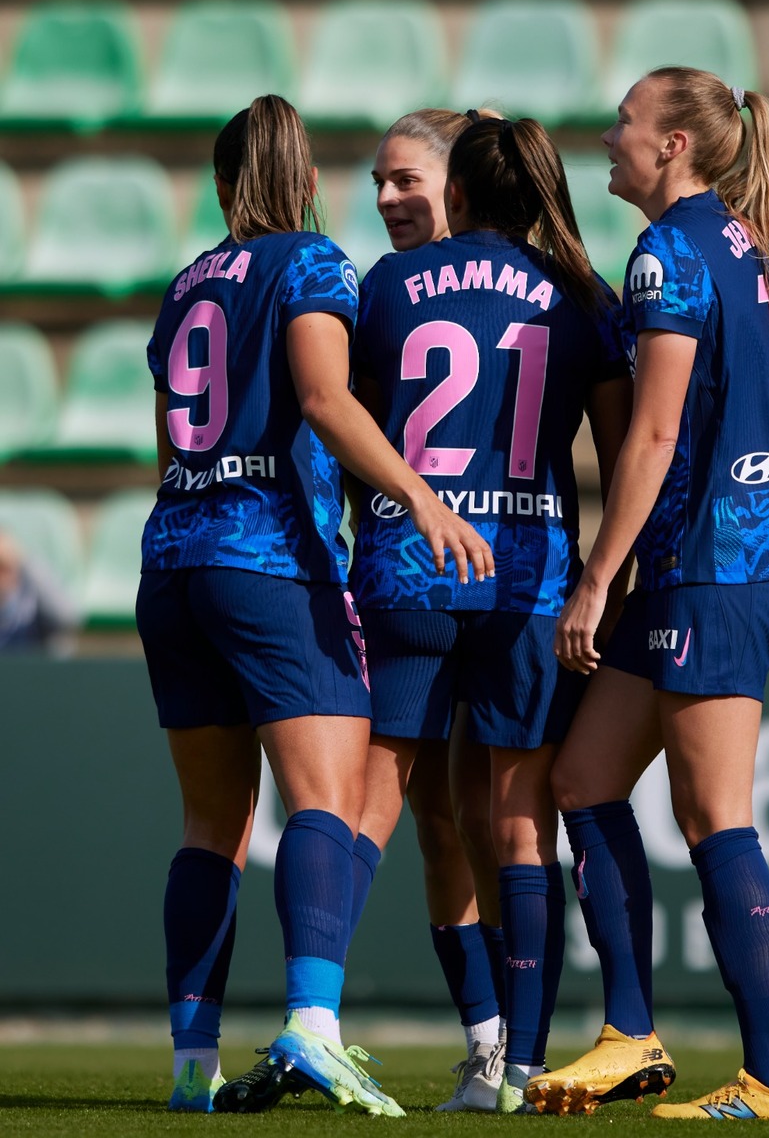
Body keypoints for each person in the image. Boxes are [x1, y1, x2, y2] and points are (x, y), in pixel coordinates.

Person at [135, 94, 492, 1116]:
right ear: (303, 182)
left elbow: (169, 448)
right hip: (271, 561)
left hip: (171, 562)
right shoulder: (313, 263)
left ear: (218, 186)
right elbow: (327, 401)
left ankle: (189, 1066)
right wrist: (418, 496)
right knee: (323, 801)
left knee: (209, 820)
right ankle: (314, 1025)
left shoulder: (182, 286)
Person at [524, 67, 769, 1122]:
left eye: (626, 122)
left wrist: (595, 581)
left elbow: (648, 435)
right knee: (584, 778)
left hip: (707, 571)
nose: (609, 136)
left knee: (713, 815)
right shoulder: (745, 243)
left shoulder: (664, 255)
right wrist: (759, 495)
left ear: (673, 147)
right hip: (728, 555)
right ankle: (629, 1033)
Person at [350, 112, 631, 1114]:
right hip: (530, 580)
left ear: (455, 194)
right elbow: (615, 449)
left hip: (410, 568)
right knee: (518, 827)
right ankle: (517, 1063)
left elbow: (365, 430)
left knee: (385, 810)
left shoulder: (384, 286)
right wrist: (606, 576)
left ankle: (316, 1014)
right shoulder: (582, 297)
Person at [354, 108, 507, 1113]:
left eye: (405, 178)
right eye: (376, 181)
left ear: (458, 181)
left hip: (466, 582)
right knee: (443, 822)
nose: (384, 198)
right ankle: (492, 1044)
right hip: (451, 575)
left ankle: (515, 1043)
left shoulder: (403, 287)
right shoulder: (385, 289)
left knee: (483, 820)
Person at [0, 528, 78, 655]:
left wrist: (26, 562)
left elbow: (68, 617)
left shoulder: (31, 599)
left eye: (4, 568)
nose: (2, 577)